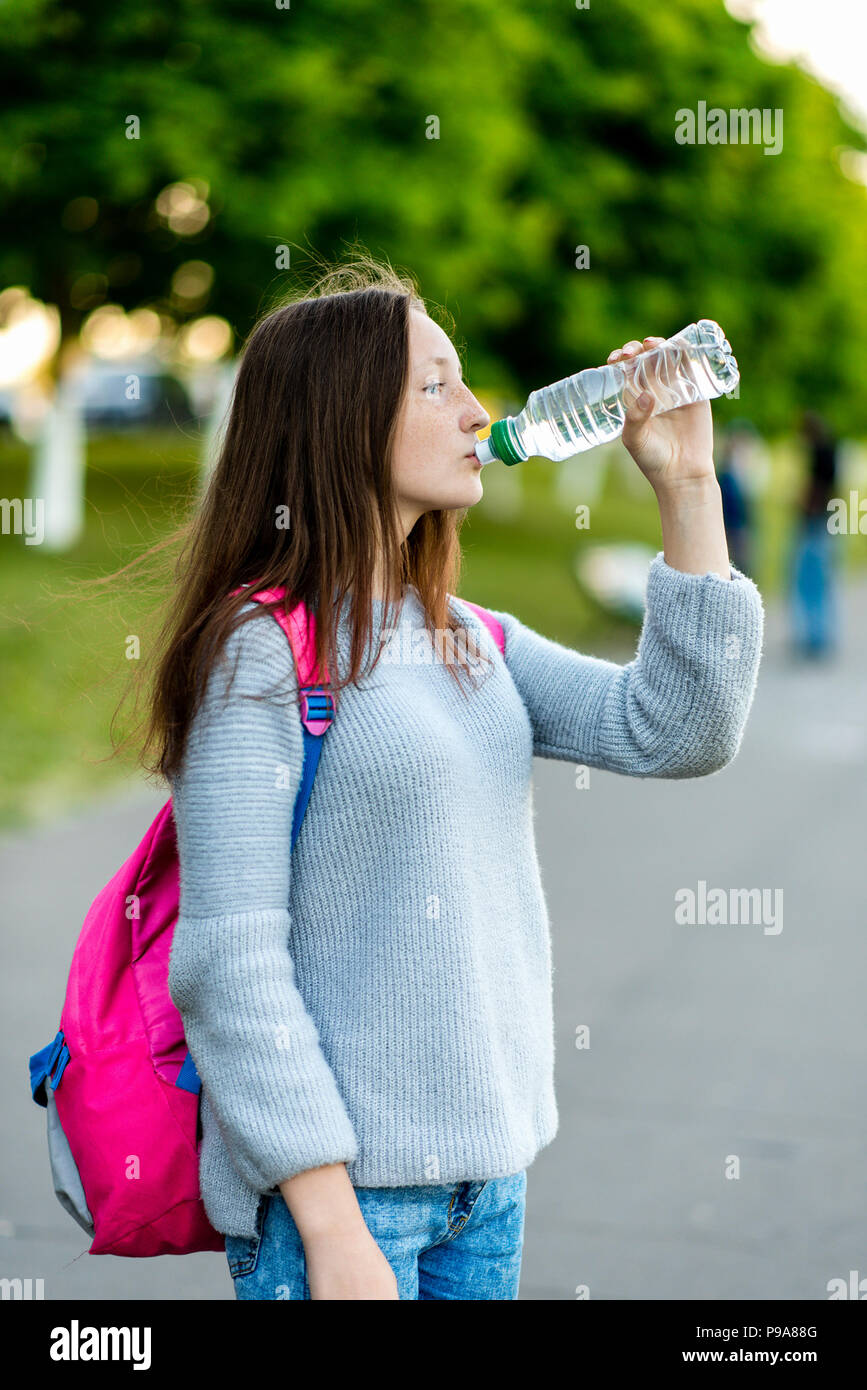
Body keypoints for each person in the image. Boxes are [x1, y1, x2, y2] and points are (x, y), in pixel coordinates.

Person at [148, 258, 764, 1299]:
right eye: (436, 385)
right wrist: (332, 1225)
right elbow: (229, 961)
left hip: (486, 1187)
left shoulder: (470, 637)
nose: (481, 410)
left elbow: (679, 731)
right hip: (345, 1207)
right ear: (342, 420)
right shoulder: (264, 651)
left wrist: (686, 484)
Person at [789, 410, 840, 659]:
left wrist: (802, 504)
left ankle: (815, 637)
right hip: (827, 524)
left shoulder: (820, 453)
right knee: (823, 582)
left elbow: (817, 490)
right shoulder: (831, 450)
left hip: (815, 525)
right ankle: (819, 635)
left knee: (811, 581)